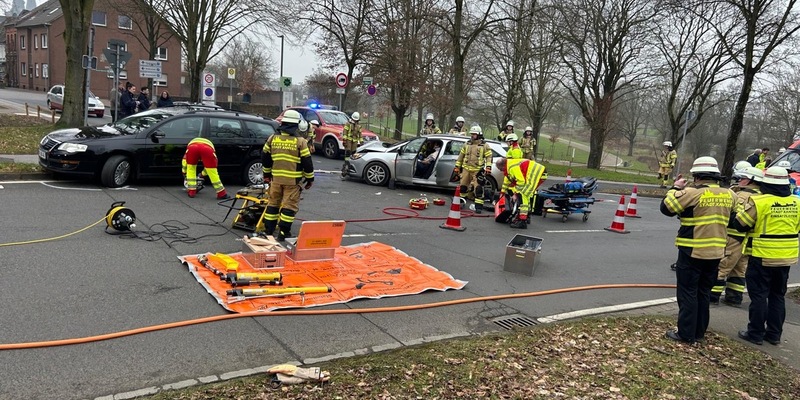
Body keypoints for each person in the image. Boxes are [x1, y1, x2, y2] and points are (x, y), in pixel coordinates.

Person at [660, 156, 736, 344]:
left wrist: (676, 187)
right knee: (704, 292)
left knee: (688, 292)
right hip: (717, 251)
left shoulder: (692, 193)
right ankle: (699, 332)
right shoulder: (730, 195)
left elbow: (666, 208)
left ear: (697, 176)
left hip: (692, 251)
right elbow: (734, 220)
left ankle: (685, 333)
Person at [729, 166, 800, 346]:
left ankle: (755, 333)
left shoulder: (760, 202)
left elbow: (740, 224)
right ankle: (774, 335)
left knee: (759, 295)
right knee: (777, 295)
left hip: (762, 255)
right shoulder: (797, 202)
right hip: (786, 256)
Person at [710, 162, 763, 307]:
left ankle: (711, 296)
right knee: (739, 269)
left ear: (751, 180)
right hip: (750, 242)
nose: (739, 180)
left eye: (742, 178)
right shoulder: (762, 197)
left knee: (721, 267)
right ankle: (734, 297)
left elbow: (733, 217)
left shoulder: (740, 195)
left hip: (733, 237)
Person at [261, 109, 315, 241]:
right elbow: (307, 162)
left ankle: (269, 231)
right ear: (295, 125)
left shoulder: (272, 138)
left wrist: (266, 174)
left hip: (275, 180)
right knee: (289, 207)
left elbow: (265, 157)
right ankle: (283, 233)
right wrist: (310, 179)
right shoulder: (300, 141)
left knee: (273, 203)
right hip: (292, 181)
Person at [497, 156, 547, 229]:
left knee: (523, 194)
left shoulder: (511, 168)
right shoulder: (509, 166)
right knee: (526, 195)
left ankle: (522, 221)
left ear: (503, 166)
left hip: (535, 173)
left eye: (500, 169)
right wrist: (502, 192)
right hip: (537, 172)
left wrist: (515, 194)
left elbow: (521, 182)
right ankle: (527, 216)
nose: (501, 171)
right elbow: (507, 182)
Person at [455, 126, 493, 213]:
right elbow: (461, 156)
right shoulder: (467, 144)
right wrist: (457, 167)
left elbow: (489, 157)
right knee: (463, 187)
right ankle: (461, 203)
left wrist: (488, 167)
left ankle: (478, 207)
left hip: (477, 170)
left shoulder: (485, 145)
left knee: (478, 189)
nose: (472, 136)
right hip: (466, 169)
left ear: (479, 134)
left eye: (474, 134)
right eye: (471, 134)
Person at [341, 112, 362, 179]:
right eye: (354, 119)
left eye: (356, 120)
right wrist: (344, 140)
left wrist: (361, 141)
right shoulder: (348, 124)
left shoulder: (359, 125)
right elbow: (345, 132)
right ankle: (346, 166)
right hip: (348, 140)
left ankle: (351, 167)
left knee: (353, 154)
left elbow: (360, 134)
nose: (355, 121)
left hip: (355, 141)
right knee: (348, 152)